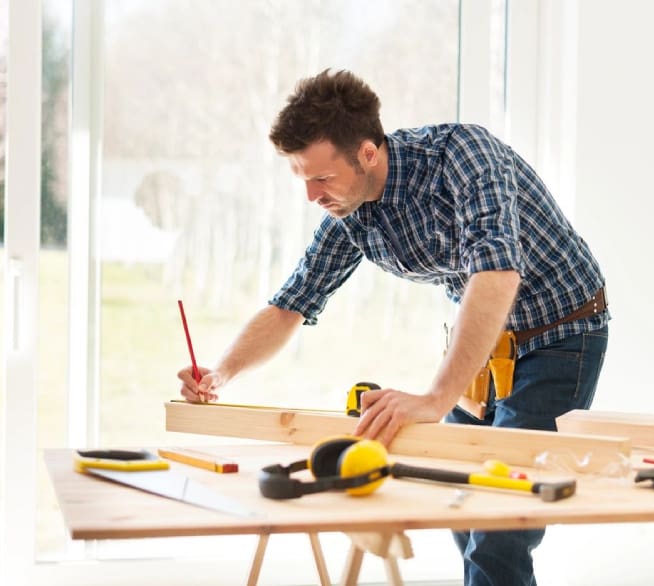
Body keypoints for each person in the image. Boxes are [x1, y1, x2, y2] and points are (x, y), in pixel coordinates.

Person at [177, 69, 609, 586]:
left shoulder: (462, 155)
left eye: (322, 178)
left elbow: (496, 273)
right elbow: (292, 303)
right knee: (463, 511)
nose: (312, 196)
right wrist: (220, 375)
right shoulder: (351, 209)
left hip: (561, 334)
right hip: (487, 350)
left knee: (499, 528)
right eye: (303, 180)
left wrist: (433, 398)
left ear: (366, 153)